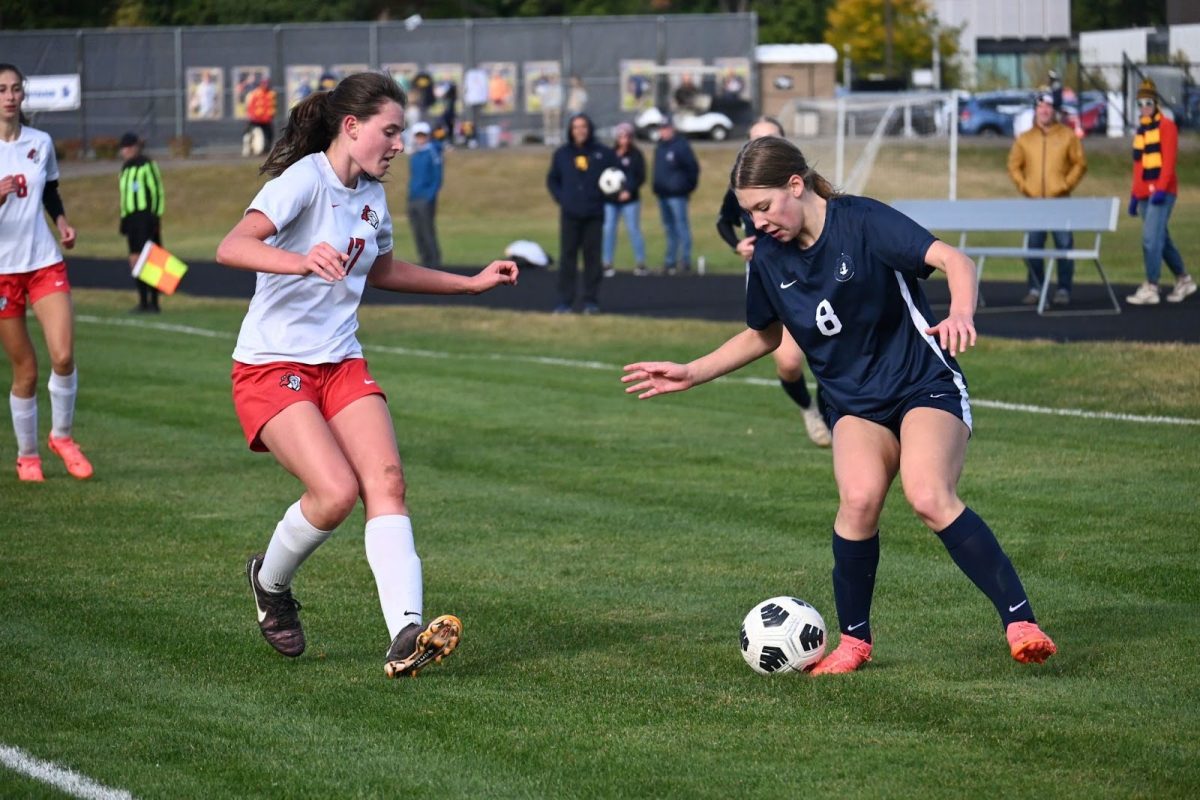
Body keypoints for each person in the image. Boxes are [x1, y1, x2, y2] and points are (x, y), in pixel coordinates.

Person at [622, 136, 1057, 674]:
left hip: (923, 384)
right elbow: (762, 335)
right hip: (853, 403)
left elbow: (954, 259)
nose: (756, 223)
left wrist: (962, 312)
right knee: (858, 502)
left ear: (796, 186)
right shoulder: (769, 259)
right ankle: (854, 642)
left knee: (927, 495)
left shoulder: (862, 222)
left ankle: (1020, 621)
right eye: (747, 213)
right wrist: (691, 372)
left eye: (763, 207)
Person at [214, 71, 519, 678]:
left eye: (401, 131)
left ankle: (405, 632)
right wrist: (299, 261)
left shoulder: (372, 195)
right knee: (334, 495)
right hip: (272, 366)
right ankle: (269, 583)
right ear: (351, 128)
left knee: (387, 480)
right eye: (391, 130)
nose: (399, 143)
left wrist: (469, 281)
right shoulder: (302, 181)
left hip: (340, 359)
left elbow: (381, 270)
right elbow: (231, 246)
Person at [0, 63, 92, 483]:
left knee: (64, 355)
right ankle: (28, 455)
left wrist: (63, 223)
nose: (10, 96)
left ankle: (62, 436)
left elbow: (50, 189)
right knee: (27, 371)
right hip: (3, 274)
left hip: (43, 262)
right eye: (2, 90)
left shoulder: (41, 142)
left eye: (16, 89)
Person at [716, 117, 830, 448]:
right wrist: (737, 244)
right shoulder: (741, 190)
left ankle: (835, 416)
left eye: (763, 208)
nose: (758, 219)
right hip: (771, 277)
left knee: (831, 352)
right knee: (789, 361)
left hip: (813, 277)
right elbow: (724, 222)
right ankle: (809, 410)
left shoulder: (803, 194)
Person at [1006, 89, 1087, 306]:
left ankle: (1063, 289)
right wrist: (1025, 187)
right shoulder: (1025, 139)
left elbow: (1080, 163)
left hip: (1059, 202)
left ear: (1054, 110)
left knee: (1064, 246)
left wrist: (1065, 185)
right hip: (1034, 204)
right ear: (1035, 109)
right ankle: (1035, 288)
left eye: (1048, 106)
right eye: (1041, 106)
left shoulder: (1067, 136)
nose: (1044, 110)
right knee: (1033, 247)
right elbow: (1014, 166)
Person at [1125, 78, 1194, 306]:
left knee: (1149, 239)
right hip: (1144, 192)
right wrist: (1135, 195)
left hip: (1162, 192)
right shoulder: (1141, 132)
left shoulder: (1167, 127)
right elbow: (1138, 166)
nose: (1144, 107)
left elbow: (1168, 162)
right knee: (1161, 238)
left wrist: (1162, 189)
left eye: (1148, 102)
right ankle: (1184, 279)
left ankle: (1151, 285)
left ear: (1155, 104)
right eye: (1140, 103)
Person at [546, 112, 614, 313]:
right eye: (576, 127)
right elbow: (552, 180)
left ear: (589, 129)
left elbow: (617, 177)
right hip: (570, 215)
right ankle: (565, 301)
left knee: (592, 259)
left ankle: (591, 301)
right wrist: (563, 198)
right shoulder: (562, 154)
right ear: (570, 131)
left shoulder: (603, 153)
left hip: (594, 214)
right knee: (567, 258)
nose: (580, 131)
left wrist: (607, 196)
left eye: (583, 126)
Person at [117, 131, 165, 313]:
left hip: (146, 217)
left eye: (129, 147)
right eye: (124, 148)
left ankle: (154, 302)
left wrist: (156, 217)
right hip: (131, 219)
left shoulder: (147, 165)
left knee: (151, 259)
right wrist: (123, 218)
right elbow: (124, 196)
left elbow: (157, 191)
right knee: (135, 259)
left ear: (137, 147)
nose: (126, 151)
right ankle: (142, 301)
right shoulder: (125, 169)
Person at [652, 119, 700, 275]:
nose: (663, 131)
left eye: (666, 128)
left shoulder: (681, 146)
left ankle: (685, 260)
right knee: (669, 228)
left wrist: (687, 187)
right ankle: (670, 260)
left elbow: (693, 168)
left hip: (677, 194)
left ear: (672, 129)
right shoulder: (659, 147)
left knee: (681, 227)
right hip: (663, 194)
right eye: (661, 129)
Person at [602, 122, 647, 278]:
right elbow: (604, 177)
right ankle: (607, 263)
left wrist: (628, 190)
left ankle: (640, 263)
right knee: (608, 230)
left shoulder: (636, 155)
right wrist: (613, 194)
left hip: (630, 200)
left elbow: (640, 176)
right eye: (621, 136)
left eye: (627, 136)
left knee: (633, 229)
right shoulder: (610, 155)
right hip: (611, 201)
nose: (624, 139)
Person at [406, 121, 442, 268]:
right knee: (417, 231)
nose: (420, 138)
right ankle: (424, 261)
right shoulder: (415, 154)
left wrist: (429, 196)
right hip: (413, 197)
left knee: (427, 231)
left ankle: (434, 262)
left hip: (425, 199)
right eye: (418, 135)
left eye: (423, 135)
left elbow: (437, 178)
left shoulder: (432, 152)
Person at [244, 78, 278, 157]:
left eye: (267, 84)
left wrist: (271, 115)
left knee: (269, 134)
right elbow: (250, 106)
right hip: (256, 119)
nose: (266, 86)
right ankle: (248, 149)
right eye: (264, 84)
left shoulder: (271, 93)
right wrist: (251, 116)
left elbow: (273, 106)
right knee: (250, 134)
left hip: (266, 119)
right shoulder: (255, 93)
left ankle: (266, 149)